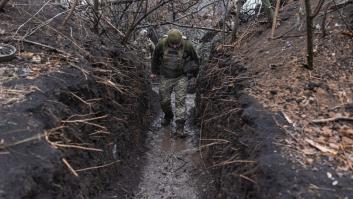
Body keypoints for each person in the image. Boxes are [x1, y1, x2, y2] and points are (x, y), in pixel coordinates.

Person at [150, 29, 199, 137]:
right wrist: (154, 72)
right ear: (168, 42)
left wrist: (194, 77)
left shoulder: (187, 45)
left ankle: (180, 127)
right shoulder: (161, 44)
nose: (175, 46)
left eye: (177, 44)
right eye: (172, 44)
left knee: (180, 100)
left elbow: (195, 60)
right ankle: (168, 116)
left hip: (181, 76)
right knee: (164, 100)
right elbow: (155, 58)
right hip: (165, 76)